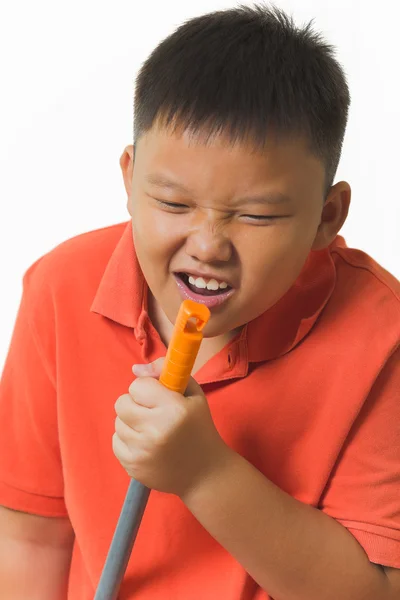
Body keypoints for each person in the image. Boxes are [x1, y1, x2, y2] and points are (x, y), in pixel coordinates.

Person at [0, 4, 399, 600]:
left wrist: (205, 473)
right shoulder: (62, 287)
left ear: (327, 216)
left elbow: (371, 592)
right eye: (173, 203)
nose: (208, 246)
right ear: (130, 181)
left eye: (257, 215)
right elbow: (30, 536)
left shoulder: (382, 334)